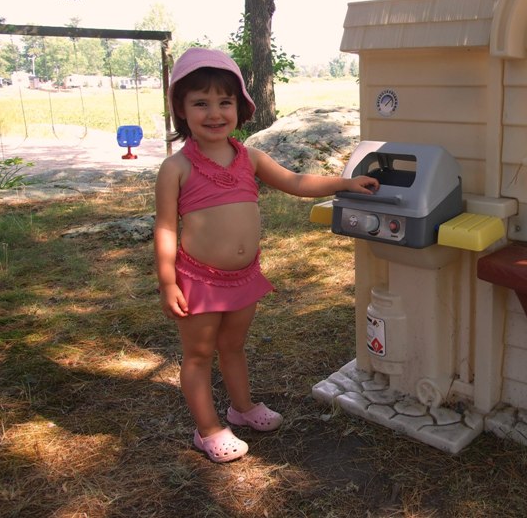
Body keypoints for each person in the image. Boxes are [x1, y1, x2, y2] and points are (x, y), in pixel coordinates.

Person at [154, 48, 379, 462]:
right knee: (200, 354)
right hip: (199, 281)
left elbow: (296, 182)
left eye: (225, 102)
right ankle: (207, 430)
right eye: (200, 103)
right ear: (181, 110)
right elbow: (166, 227)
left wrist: (343, 185)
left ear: (240, 107)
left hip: (243, 277)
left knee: (234, 346)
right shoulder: (177, 168)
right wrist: (168, 281)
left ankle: (241, 409)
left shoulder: (250, 158)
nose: (215, 113)